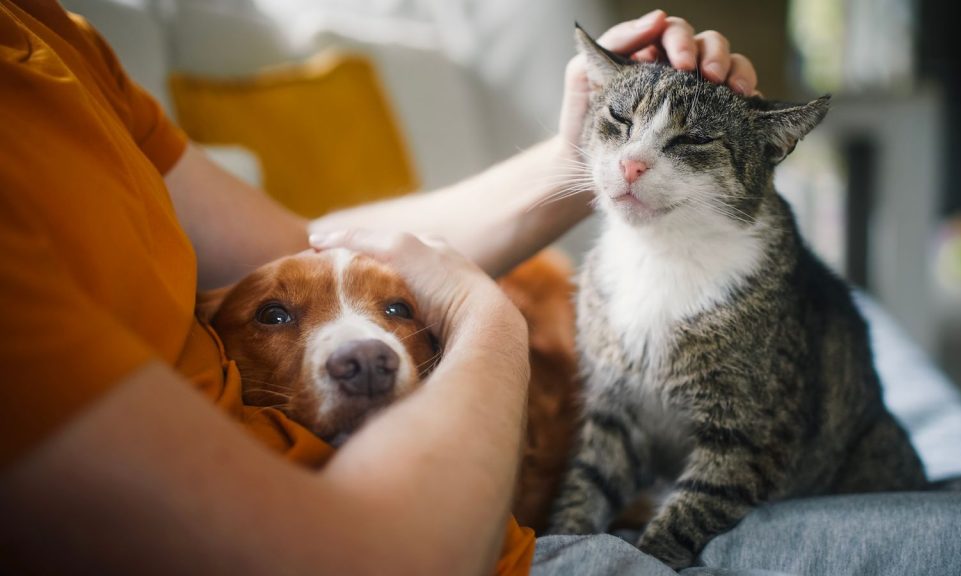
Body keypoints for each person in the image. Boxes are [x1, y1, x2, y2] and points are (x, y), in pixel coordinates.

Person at [0, 2, 759, 574]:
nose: (361, 350)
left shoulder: (53, 39)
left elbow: (307, 252)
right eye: (272, 317)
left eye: (398, 314)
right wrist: (483, 320)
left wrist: (577, 160)